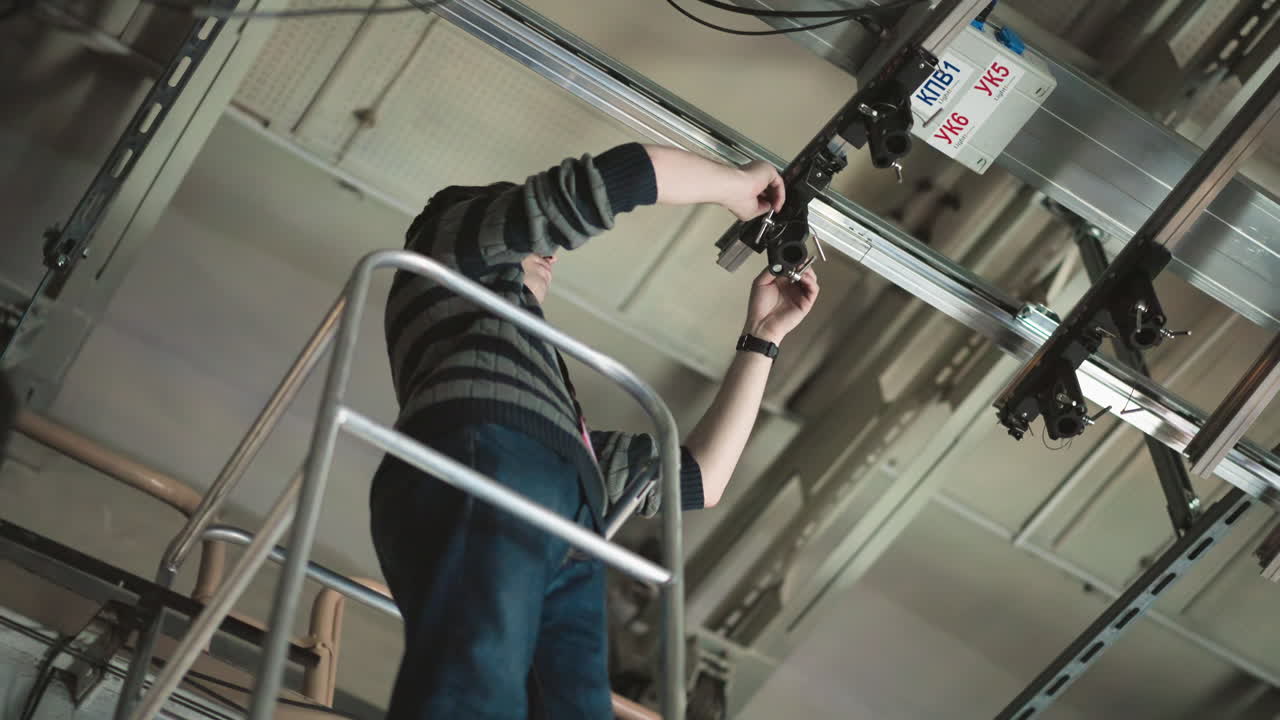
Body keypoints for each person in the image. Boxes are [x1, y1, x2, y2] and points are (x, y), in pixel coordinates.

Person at [368, 142, 819, 719]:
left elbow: (700, 479)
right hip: (494, 465)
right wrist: (733, 186)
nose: (551, 251)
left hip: (556, 500)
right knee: (475, 688)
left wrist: (763, 336)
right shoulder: (452, 243)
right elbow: (607, 183)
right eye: (530, 236)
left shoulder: (549, 410)